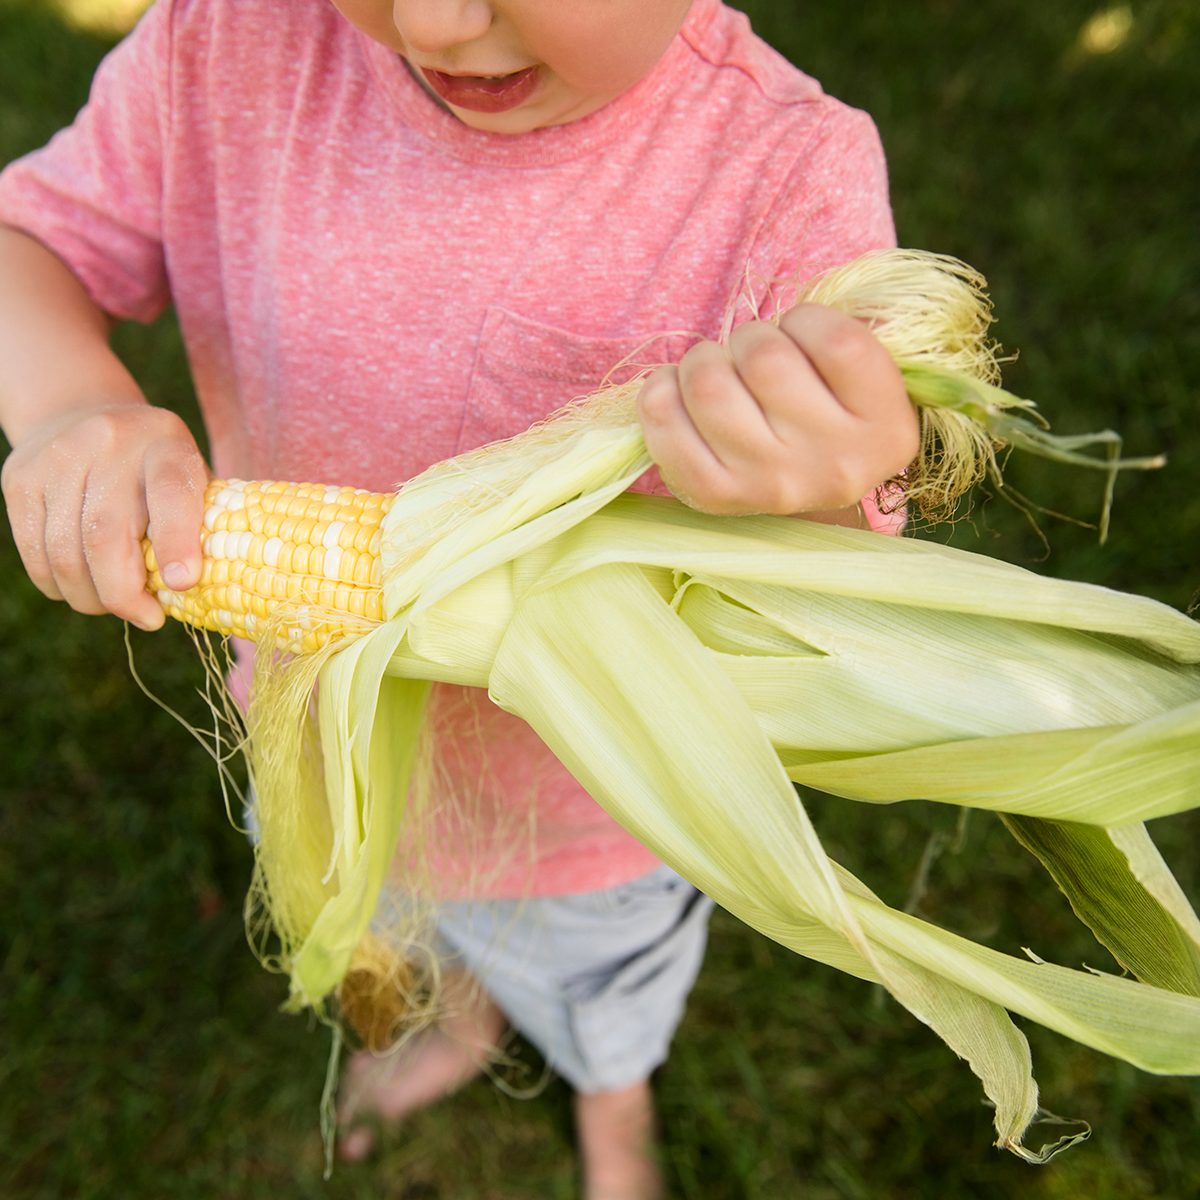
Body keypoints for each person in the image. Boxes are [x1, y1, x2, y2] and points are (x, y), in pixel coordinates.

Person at [0, 2, 917, 1196]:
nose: (435, 20)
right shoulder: (222, 43)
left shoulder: (786, 171)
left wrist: (832, 480)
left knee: (603, 987)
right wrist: (69, 402)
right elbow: (31, 240)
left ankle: (613, 1091)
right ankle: (456, 1022)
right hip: (317, 734)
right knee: (393, 929)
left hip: (594, 806)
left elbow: (840, 565)